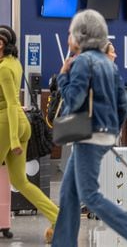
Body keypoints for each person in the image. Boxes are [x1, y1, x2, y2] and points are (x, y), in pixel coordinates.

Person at [51, 9, 127, 247]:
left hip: (88, 135)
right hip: (104, 134)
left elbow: (73, 100)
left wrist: (62, 77)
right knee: (69, 195)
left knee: (89, 195)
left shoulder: (81, 62)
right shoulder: (109, 64)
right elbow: (123, 104)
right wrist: (111, 130)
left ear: (81, 35)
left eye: (71, 32)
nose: (69, 37)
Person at [0, 25, 59, 244]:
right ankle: (57, 216)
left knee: (21, 181)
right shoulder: (14, 63)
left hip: (8, 123)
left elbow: (12, 103)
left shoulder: (5, 68)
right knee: (20, 181)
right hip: (18, 123)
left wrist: (13, 139)